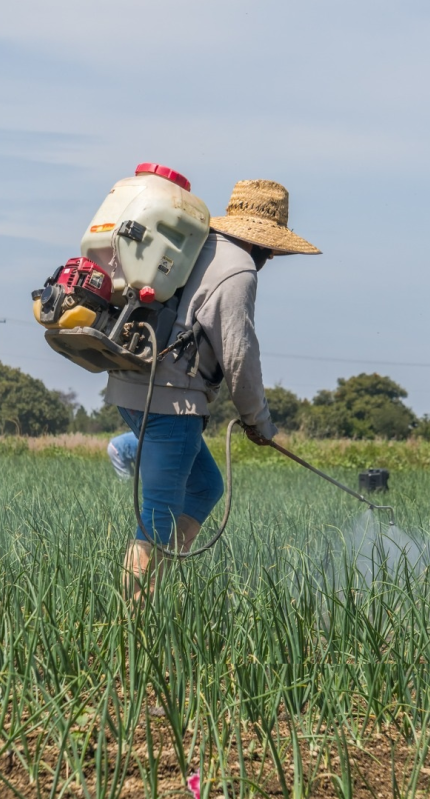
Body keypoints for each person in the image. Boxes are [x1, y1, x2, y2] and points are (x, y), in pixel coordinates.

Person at [105, 179, 321, 598]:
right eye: (273, 251)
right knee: (157, 515)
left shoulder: (197, 244)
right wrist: (258, 422)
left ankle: (158, 591)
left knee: (206, 486)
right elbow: (239, 355)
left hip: (130, 386)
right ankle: (131, 621)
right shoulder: (238, 268)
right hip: (170, 400)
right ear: (266, 242)